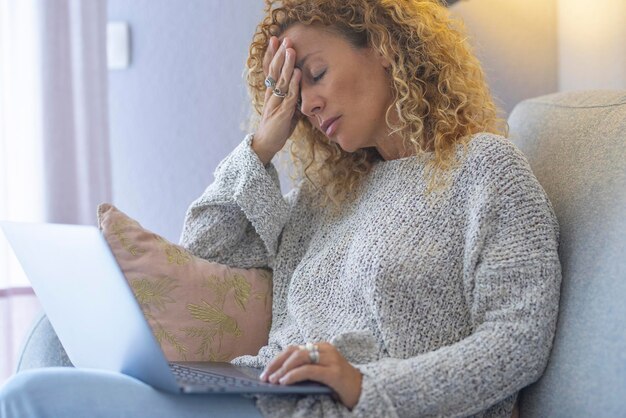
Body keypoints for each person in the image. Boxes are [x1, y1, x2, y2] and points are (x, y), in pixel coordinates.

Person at [0, 0, 561, 417]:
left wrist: (368, 387)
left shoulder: (486, 171)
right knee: (35, 392)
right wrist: (261, 147)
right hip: (262, 396)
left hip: (347, 409)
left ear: (386, 47)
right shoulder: (329, 195)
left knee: (29, 397)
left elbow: (516, 343)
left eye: (314, 75)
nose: (308, 102)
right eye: (290, 90)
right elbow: (203, 251)